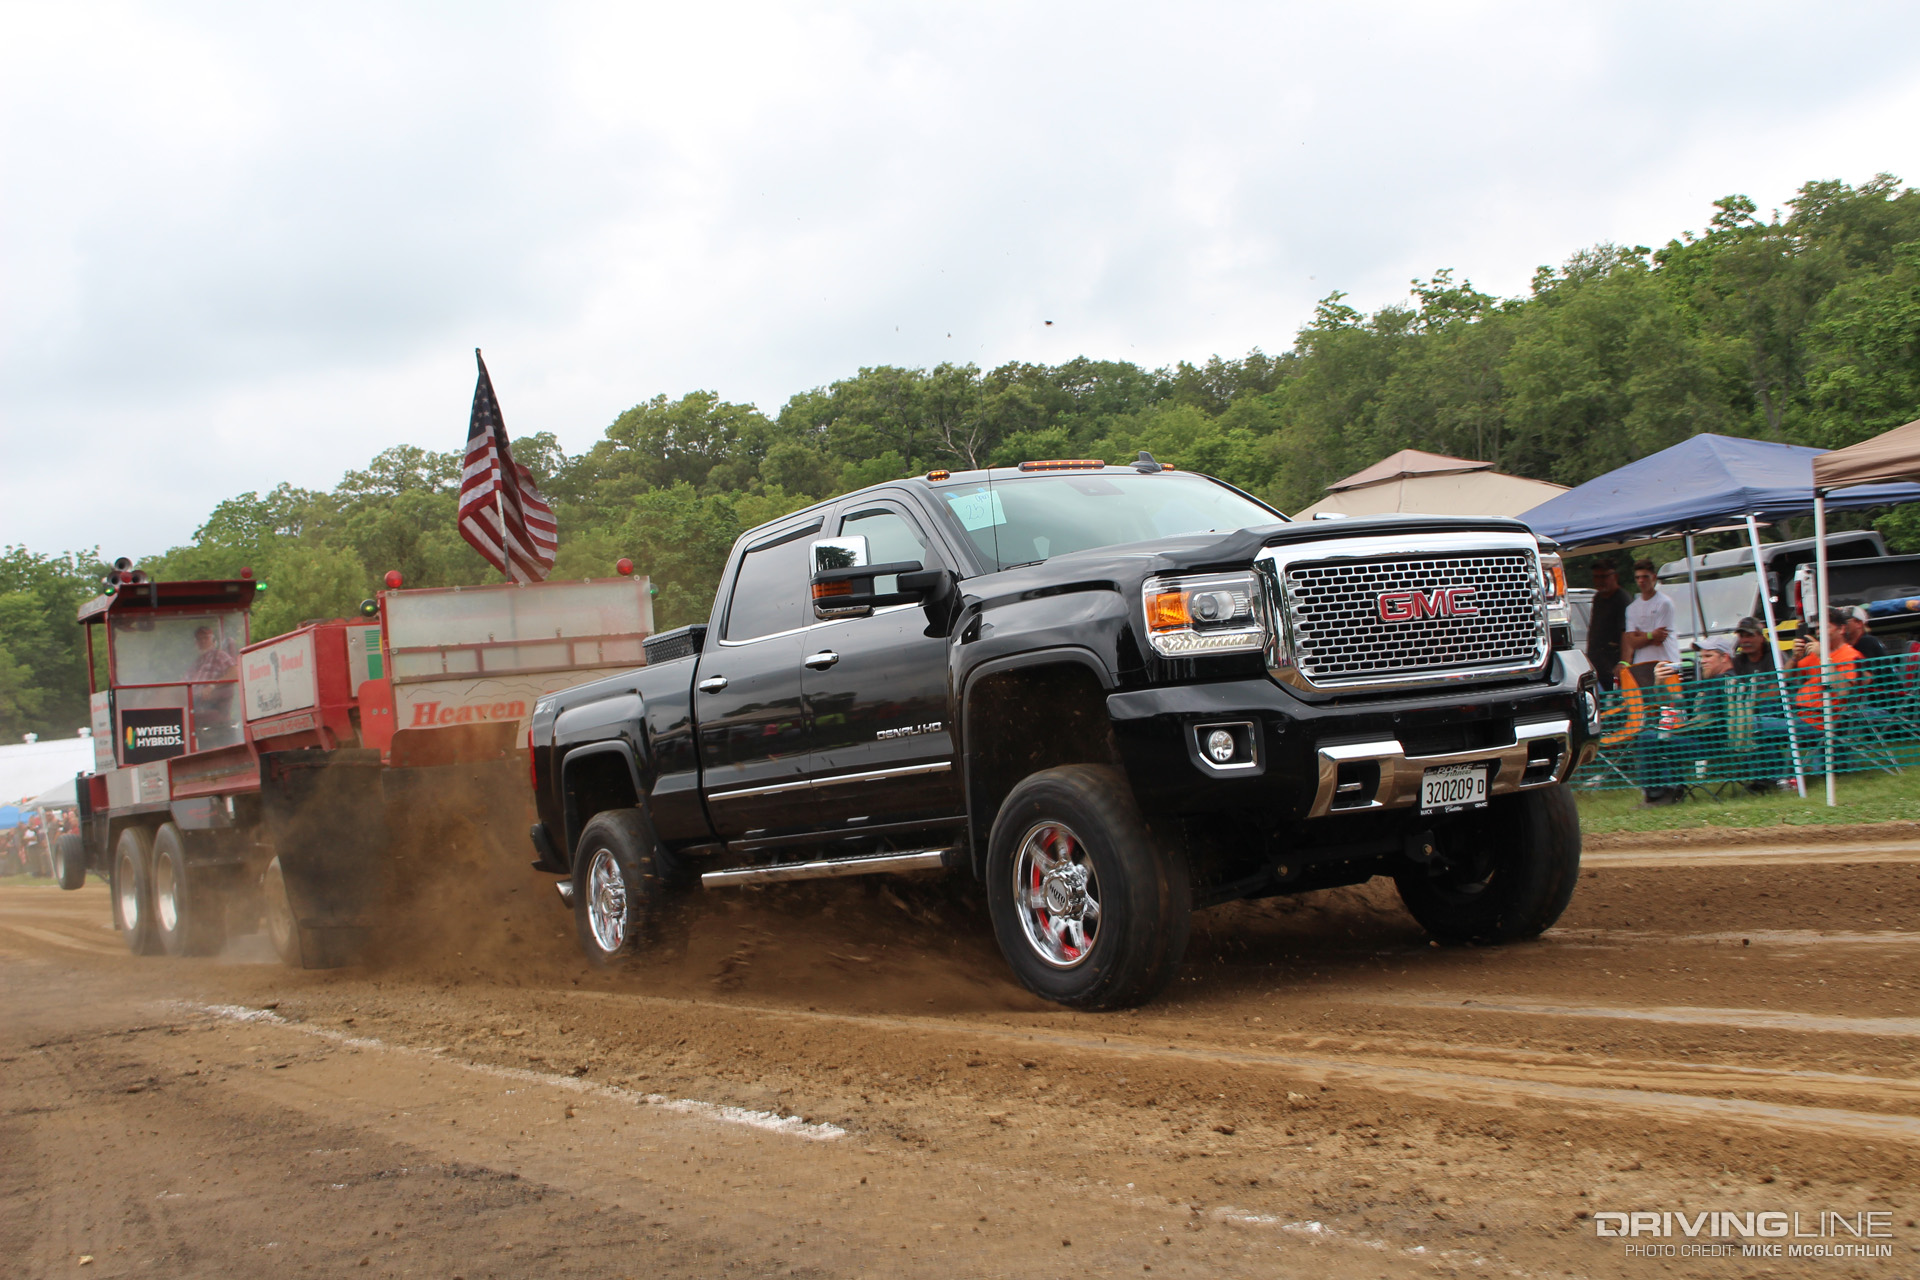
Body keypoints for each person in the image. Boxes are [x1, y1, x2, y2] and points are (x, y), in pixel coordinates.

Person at [1622, 559, 1680, 665]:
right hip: (1642, 665)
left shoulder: (1664, 603)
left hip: (1665, 662)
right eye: (1638, 577)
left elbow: (1659, 640)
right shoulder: (1631, 608)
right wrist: (1651, 635)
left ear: (1653, 577)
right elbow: (1631, 642)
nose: (1641, 581)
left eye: (1645, 577)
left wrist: (1640, 635)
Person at [1585, 562, 1628, 691]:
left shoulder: (1622, 599)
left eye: (1603, 577)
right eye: (1596, 577)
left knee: (1618, 703)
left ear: (1615, 577)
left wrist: (1624, 662)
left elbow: (1626, 632)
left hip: (1614, 664)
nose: (1599, 581)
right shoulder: (1598, 598)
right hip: (1598, 663)